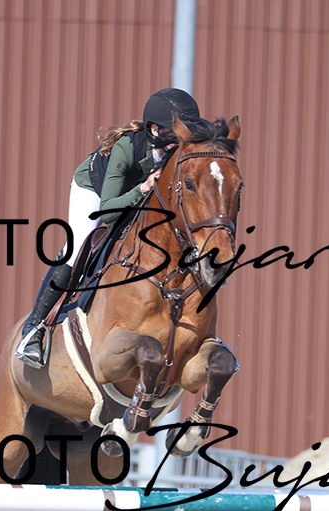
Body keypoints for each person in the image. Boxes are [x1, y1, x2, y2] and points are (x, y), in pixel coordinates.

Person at [16, 88, 200, 367]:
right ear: (155, 130)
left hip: (138, 192)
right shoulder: (127, 148)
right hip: (97, 191)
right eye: (177, 131)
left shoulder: (179, 154)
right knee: (77, 246)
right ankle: (34, 329)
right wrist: (144, 187)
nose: (184, 139)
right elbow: (109, 212)